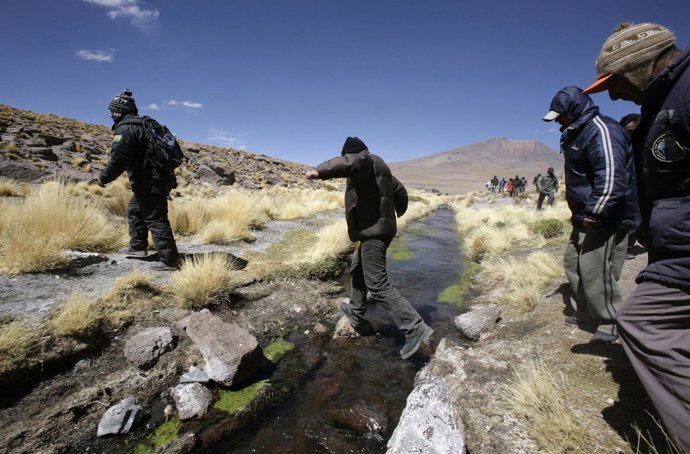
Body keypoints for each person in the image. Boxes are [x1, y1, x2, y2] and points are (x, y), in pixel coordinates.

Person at [582, 22, 690, 450]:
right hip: (672, 246)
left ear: (643, 64)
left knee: (645, 323)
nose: (612, 94)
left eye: (616, 81)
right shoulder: (661, 103)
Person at [305, 137, 433, 359]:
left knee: (378, 284)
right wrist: (397, 213)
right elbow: (400, 190)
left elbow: (351, 163)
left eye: (348, 155)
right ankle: (355, 311)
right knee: (357, 270)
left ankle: (415, 328)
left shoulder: (365, 161)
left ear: (352, 153)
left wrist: (320, 171)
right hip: (375, 230)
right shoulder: (379, 168)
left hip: (374, 232)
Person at [542, 86, 637, 343]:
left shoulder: (602, 131)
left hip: (605, 215)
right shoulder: (577, 133)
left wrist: (595, 212)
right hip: (584, 215)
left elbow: (611, 175)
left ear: (573, 110)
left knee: (596, 268)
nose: (559, 121)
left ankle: (608, 320)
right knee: (573, 262)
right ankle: (584, 312)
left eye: (560, 116)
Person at [98, 89, 180, 271]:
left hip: (148, 181)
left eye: (112, 111)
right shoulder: (147, 125)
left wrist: (104, 178)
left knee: (155, 218)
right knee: (136, 210)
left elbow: (119, 159)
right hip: (160, 179)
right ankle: (137, 247)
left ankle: (170, 261)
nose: (111, 115)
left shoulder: (126, 128)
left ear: (118, 111)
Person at [619, 113, 643, 259]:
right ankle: (625, 246)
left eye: (635, 131)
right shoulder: (619, 149)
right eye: (628, 132)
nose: (632, 136)